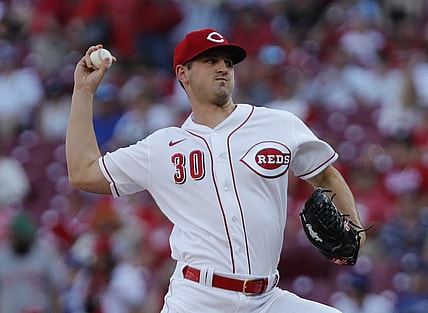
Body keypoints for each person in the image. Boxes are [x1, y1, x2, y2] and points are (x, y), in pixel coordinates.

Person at [66, 28, 366, 313]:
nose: (223, 67)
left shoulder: (279, 124)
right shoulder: (161, 148)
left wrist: (354, 228)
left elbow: (325, 174)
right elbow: (83, 172)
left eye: (227, 62)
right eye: (210, 61)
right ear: (183, 73)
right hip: (199, 298)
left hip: (267, 299)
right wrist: (83, 91)